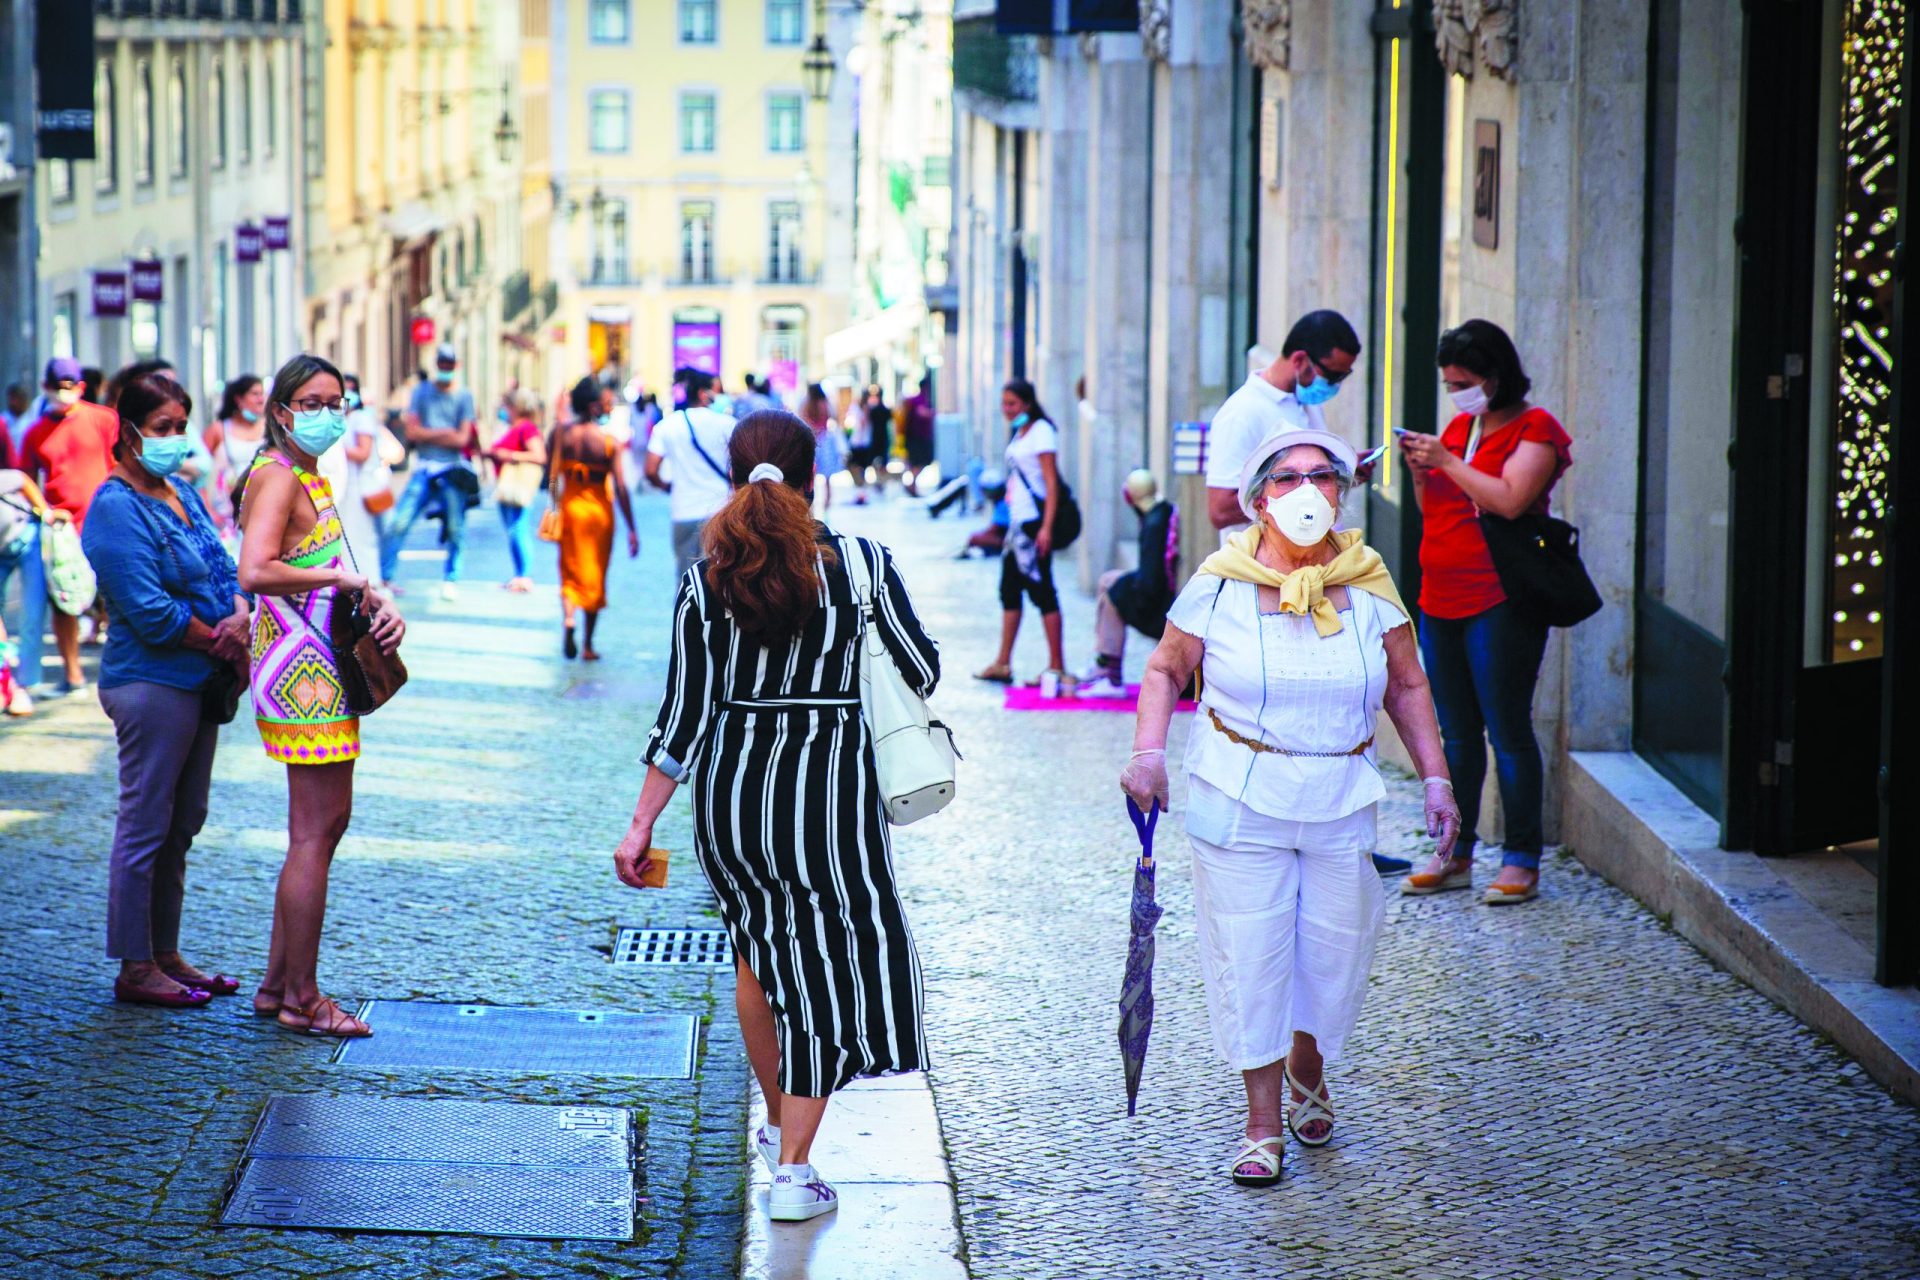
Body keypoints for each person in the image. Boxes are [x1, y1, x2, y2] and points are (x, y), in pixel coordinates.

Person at [613, 411, 940, 1224]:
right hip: (829, 794)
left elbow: (681, 719)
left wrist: (639, 825)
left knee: (758, 960)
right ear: (812, 477)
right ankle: (794, 1169)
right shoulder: (861, 567)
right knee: (826, 967)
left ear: (735, 478)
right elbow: (922, 666)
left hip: (733, 799)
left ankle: (776, 1126)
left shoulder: (707, 577)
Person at [1122, 425, 1460, 1187]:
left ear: (1342, 493)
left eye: (1323, 476)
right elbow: (1166, 667)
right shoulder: (1219, 580)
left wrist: (1436, 778)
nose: (1306, 490)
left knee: (1334, 951)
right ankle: (1261, 1122)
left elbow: (1407, 686)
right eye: (1286, 479)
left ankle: (1309, 1063)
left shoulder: (1370, 579)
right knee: (1254, 956)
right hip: (1240, 797)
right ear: (1258, 500)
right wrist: (1148, 752)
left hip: (1341, 798)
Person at [237, 353, 405, 1039]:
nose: (327, 413)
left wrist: (364, 590)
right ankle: (303, 999)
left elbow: (314, 565)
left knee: (319, 830)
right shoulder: (279, 477)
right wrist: (342, 583)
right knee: (316, 833)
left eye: (336, 400)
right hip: (301, 671)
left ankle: (280, 985)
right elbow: (255, 568)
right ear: (281, 411)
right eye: (311, 401)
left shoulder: (305, 473)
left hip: (311, 661)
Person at [82, 372, 253, 1008]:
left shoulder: (181, 490)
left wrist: (238, 611)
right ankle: (134, 964)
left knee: (183, 822)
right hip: (151, 683)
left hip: (199, 680)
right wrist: (225, 640)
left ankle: (165, 951)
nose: (176, 440)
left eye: (181, 427)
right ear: (127, 433)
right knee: (145, 822)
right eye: (163, 429)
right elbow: (151, 612)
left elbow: (223, 564)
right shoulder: (114, 507)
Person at [1396, 319, 1573, 906]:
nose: (1457, 392)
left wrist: (1444, 460)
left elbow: (1509, 500)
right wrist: (1424, 474)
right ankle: (1457, 852)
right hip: (1439, 597)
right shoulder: (1460, 428)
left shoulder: (1535, 429)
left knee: (1508, 730)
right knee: (1457, 736)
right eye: (1449, 383)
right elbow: (1438, 511)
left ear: (1496, 377)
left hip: (1501, 600)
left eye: (1465, 381)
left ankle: (1522, 857)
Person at [1206, 310, 1361, 542]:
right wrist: (1292, 490)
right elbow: (1219, 510)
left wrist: (1340, 472)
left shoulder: (1307, 404)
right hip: (1264, 566)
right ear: (1299, 360)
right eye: (1330, 375)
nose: (1334, 386)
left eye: (1342, 377)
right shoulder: (1241, 413)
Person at [20, 357, 119, 694]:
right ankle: (73, 673)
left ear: (80, 388)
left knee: (119, 595)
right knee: (63, 600)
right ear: (46, 387)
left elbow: (122, 465)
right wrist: (43, 510)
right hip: (62, 531)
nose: (64, 393)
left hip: (108, 523)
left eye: (70, 387)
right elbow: (25, 482)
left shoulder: (104, 420)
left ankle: (120, 669)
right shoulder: (36, 433)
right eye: (58, 387)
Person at [975, 378, 1066, 686]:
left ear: (1027, 403)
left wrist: (1046, 528)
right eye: (1004, 404)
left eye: (1012, 404)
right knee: (1009, 590)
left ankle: (1056, 665)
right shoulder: (1022, 432)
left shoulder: (1042, 432)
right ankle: (1003, 662)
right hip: (1018, 527)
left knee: (1043, 592)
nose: (1007, 410)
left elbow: (1051, 484)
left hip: (1034, 526)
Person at [380, 343, 479, 599]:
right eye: (442, 364)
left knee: (456, 528)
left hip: (451, 470)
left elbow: (462, 439)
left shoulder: (464, 396)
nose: (445, 369)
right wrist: (447, 432)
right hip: (424, 468)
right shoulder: (421, 392)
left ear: (456, 366)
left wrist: (431, 435)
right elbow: (412, 432)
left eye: (449, 364)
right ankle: (385, 577)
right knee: (398, 523)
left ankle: (451, 578)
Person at [553, 377, 639, 659]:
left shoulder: (562, 434)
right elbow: (622, 487)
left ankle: (568, 618)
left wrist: (555, 506)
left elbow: (552, 478)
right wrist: (632, 528)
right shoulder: (608, 443)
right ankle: (588, 645)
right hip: (600, 515)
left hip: (571, 511)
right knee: (595, 575)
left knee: (569, 571)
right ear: (592, 406)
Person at [1078, 469, 1179, 699]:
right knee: (1108, 581)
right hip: (1162, 591)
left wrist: (1124, 591)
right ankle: (1102, 660)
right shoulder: (1159, 512)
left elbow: (1151, 584)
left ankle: (1111, 678)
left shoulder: (1153, 525)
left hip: (1160, 605)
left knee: (1114, 594)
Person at [644, 370, 736, 579]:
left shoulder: (668, 426)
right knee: (719, 578)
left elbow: (650, 470)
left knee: (687, 579)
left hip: (683, 511)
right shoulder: (727, 425)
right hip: (720, 511)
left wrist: (666, 486)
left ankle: (687, 612)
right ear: (704, 394)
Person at [314, 373, 386, 590]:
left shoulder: (361, 418)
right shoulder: (341, 420)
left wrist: (332, 449)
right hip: (343, 486)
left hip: (358, 487)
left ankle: (370, 581)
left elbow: (363, 452)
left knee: (361, 537)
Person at [0, 467, 59, 712]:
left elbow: (22, 479)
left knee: (32, 614)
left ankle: (25, 685)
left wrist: (45, 512)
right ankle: (8, 685)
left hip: (26, 539)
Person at [489, 388, 548, 592]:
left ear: (517, 408)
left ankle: (524, 575)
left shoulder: (527, 429)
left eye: (509, 406)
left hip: (519, 486)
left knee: (518, 529)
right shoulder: (513, 428)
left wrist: (511, 456)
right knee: (514, 529)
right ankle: (519, 574)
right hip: (507, 486)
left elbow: (539, 456)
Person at [202, 374, 267, 535]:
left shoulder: (270, 428)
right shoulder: (218, 430)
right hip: (226, 517)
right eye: (255, 394)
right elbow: (201, 471)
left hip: (261, 511)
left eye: (262, 394)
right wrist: (207, 510)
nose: (261, 399)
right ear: (239, 399)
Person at [801, 383, 845, 511]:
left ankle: (811, 505)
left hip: (811, 439)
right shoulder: (825, 403)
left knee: (810, 475)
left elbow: (802, 419)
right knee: (827, 477)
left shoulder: (807, 404)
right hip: (825, 440)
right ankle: (827, 503)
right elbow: (834, 417)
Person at [901, 376, 936, 497]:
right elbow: (921, 413)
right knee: (919, 462)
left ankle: (912, 485)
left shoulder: (920, 399)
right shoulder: (918, 400)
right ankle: (911, 485)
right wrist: (934, 413)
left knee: (920, 462)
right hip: (917, 438)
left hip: (918, 437)